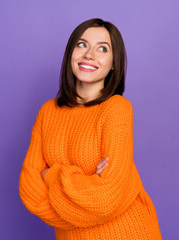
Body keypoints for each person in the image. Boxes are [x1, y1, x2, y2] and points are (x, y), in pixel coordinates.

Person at [19, 18, 163, 240]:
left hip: (127, 232)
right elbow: (30, 191)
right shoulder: (48, 112)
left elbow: (107, 198)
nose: (89, 55)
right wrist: (85, 185)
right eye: (82, 44)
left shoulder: (116, 109)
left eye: (102, 49)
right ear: (71, 53)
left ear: (114, 63)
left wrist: (52, 174)